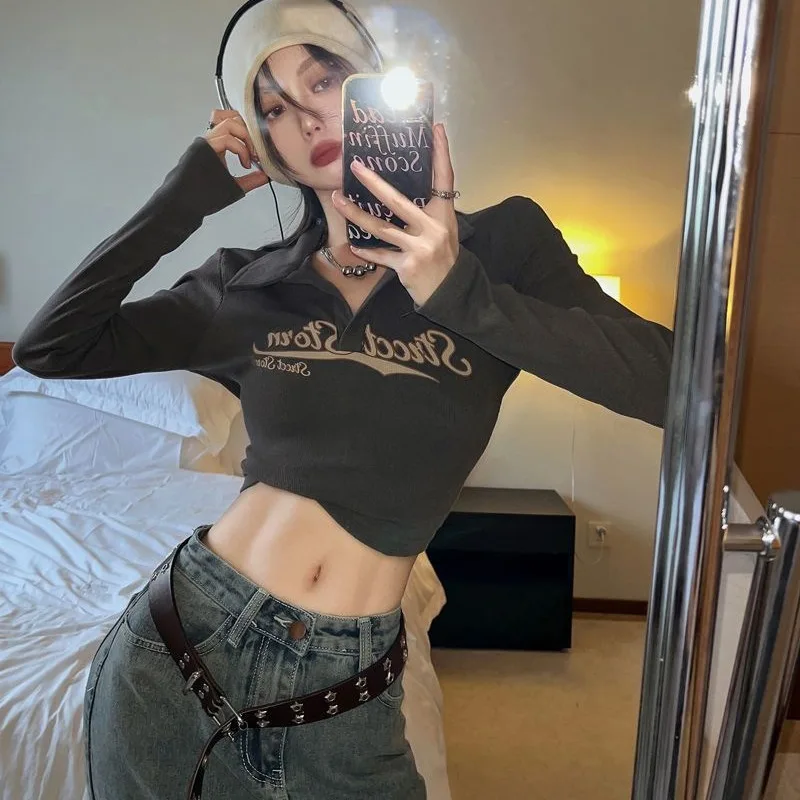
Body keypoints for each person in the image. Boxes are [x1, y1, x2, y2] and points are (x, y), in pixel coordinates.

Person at [12, 1, 674, 798]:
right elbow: (51, 348)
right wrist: (184, 196)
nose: (305, 118)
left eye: (324, 81)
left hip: (344, 693)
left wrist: (458, 292)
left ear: (375, 90)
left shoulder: (503, 247)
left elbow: (676, 387)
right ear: (266, 144)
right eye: (273, 108)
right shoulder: (244, 284)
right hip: (175, 651)